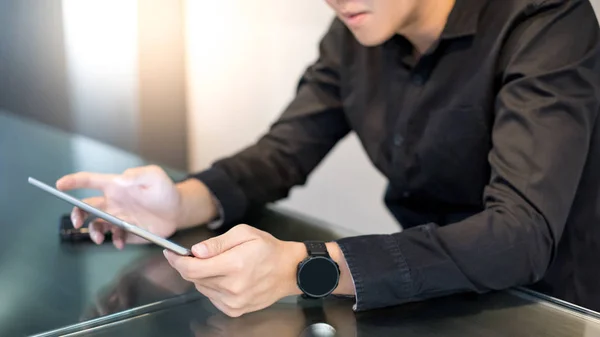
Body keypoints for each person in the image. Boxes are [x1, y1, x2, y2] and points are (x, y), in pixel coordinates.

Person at [56, 0, 600, 317]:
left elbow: (517, 238)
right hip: (427, 295)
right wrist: (181, 202)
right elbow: (283, 151)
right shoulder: (353, 34)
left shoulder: (547, 23)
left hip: (555, 307)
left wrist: (302, 266)